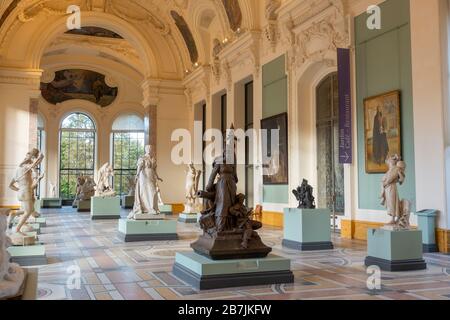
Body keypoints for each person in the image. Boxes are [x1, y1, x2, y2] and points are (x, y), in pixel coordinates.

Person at [129, 145, 163, 218]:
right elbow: (139, 167)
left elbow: (154, 169)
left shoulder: (153, 159)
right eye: (148, 148)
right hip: (144, 176)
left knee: (153, 191)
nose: (149, 149)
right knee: (144, 192)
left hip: (151, 176)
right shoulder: (142, 158)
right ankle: (146, 208)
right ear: (145, 149)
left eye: (150, 148)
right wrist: (137, 175)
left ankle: (152, 208)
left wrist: (158, 177)